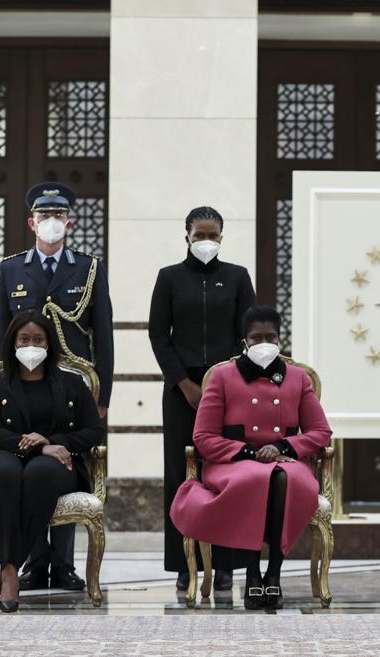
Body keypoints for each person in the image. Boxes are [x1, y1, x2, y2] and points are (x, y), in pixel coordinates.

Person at [0, 182, 114, 592]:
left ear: (70, 223)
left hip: (72, 388)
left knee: (64, 464)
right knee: (28, 464)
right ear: (31, 223)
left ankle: (62, 564)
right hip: (23, 385)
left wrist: (103, 397)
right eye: (44, 216)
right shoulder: (11, 269)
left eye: (58, 215)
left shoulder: (89, 268)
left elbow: (103, 334)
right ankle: (33, 563)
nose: (51, 222)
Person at [170, 306, 331, 610]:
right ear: (244, 340)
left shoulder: (297, 378)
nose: (264, 343)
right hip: (232, 463)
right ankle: (253, 573)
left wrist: (283, 447)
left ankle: (274, 574)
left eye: (271, 337)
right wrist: (248, 452)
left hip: (286, 462)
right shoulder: (222, 377)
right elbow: (203, 436)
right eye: (257, 338)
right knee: (256, 478)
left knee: (282, 478)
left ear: (280, 339)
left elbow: (321, 432)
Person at [148, 206, 256, 592]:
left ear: (221, 238)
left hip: (229, 391)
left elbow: (250, 333)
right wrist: (185, 384)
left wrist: (224, 382)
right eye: (199, 236)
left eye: (213, 236)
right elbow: (158, 336)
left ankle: (226, 564)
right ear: (187, 237)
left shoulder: (238, 277)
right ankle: (185, 563)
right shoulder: (169, 278)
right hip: (182, 393)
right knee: (183, 476)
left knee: (227, 475)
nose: (206, 242)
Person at [0, 312, 104, 612]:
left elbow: (93, 431)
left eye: (38, 339)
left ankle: (8, 571)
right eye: (24, 339)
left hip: (55, 463)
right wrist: (37, 447)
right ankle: (11, 573)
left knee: (39, 473)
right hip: (0, 455)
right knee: (5, 475)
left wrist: (53, 442)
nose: (30, 345)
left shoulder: (72, 384)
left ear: (49, 344)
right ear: (12, 343)